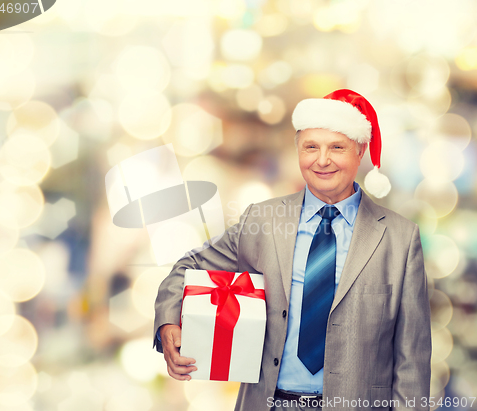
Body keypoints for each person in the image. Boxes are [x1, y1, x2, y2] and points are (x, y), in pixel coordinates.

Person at [153, 89, 432, 411]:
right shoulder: (263, 219)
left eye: (337, 148)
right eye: (311, 147)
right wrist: (169, 321)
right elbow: (189, 266)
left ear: (360, 151)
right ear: (298, 150)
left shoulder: (399, 238)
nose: (322, 160)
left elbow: (413, 357)